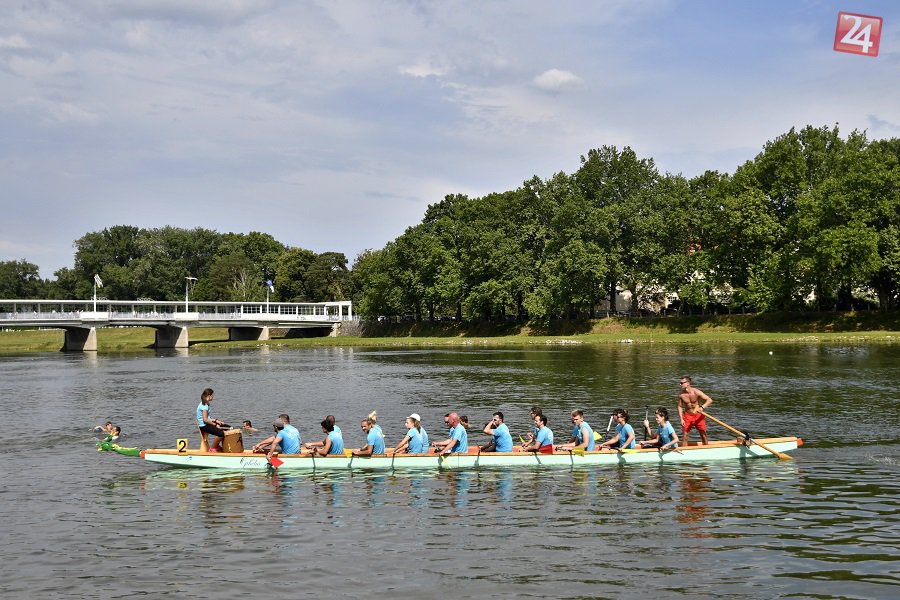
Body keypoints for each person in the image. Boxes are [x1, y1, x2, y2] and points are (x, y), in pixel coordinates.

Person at [678, 375, 713, 446]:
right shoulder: (681, 395)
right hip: (687, 416)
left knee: (703, 434)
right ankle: (684, 451)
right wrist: (681, 419)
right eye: (680, 383)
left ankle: (706, 448)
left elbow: (709, 400)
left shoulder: (696, 392)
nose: (680, 384)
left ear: (687, 383)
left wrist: (702, 407)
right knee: (685, 435)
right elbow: (679, 406)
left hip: (698, 415)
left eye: (682, 383)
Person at [196, 388, 230, 452]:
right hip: (204, 426)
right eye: (212, 396)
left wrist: (216, 421)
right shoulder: (204, 406)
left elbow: (208, 418)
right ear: (209, 396)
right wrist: (215, 425)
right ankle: (213, 447)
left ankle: (221, 446)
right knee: (221, 433)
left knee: (228, 428)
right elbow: (205, 420)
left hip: (207, 424)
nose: (213, 397)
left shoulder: (205, 404)